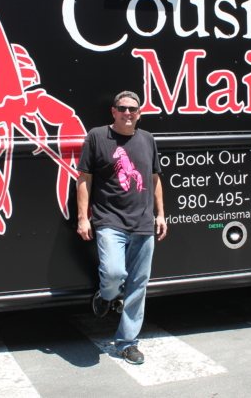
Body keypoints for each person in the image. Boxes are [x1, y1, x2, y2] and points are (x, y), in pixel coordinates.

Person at [76, 90, 167, 365]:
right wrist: (83, 217)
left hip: (142, 222)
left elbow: (155, 178)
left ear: (139, 113)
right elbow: (84, 179)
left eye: (134, 109)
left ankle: (127, 342)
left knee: (138, 284)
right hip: (109, 220)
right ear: (114, 111)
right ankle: (107, 294)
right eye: (123, 108)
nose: (129, 113)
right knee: (115, 273)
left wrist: (160, 214)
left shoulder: (147, 139)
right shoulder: (97, 136)